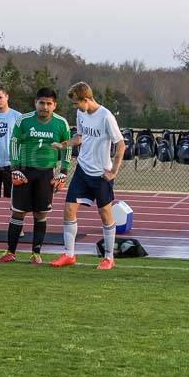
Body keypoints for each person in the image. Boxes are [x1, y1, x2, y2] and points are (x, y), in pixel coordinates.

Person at [50, 82, 124, 270]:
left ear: (86, 99)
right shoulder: (81, 113)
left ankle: (108, 258)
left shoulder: (106, 116)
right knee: (68, 209)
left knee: (105, 214)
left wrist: (113, 171)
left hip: (101, 174)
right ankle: (69, 254)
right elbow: (80, 137)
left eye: (76, 103)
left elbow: (121, 144)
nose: (75, 107)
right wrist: (64, 144)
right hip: (82, 170)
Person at [0, 87, 70, 265]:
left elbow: (67, 147)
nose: (45, 107)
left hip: (46, 173)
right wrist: (14, 168)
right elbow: (14, 142)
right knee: (18, 213)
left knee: (40, 213)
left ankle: (36, 253)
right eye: (41, 103)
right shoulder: (24, 120)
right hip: (24, 171)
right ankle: (10, 252)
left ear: (55, 105)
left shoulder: (61, 123)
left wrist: (63, 172)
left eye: (49, 104)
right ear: (35, 103)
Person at [0, 85, 23, 234]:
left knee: (15, 196)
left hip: (12, 163)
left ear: (7, 97)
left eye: (0, 97)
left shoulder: (17, 116)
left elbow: (23, 139)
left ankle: (17, 226)